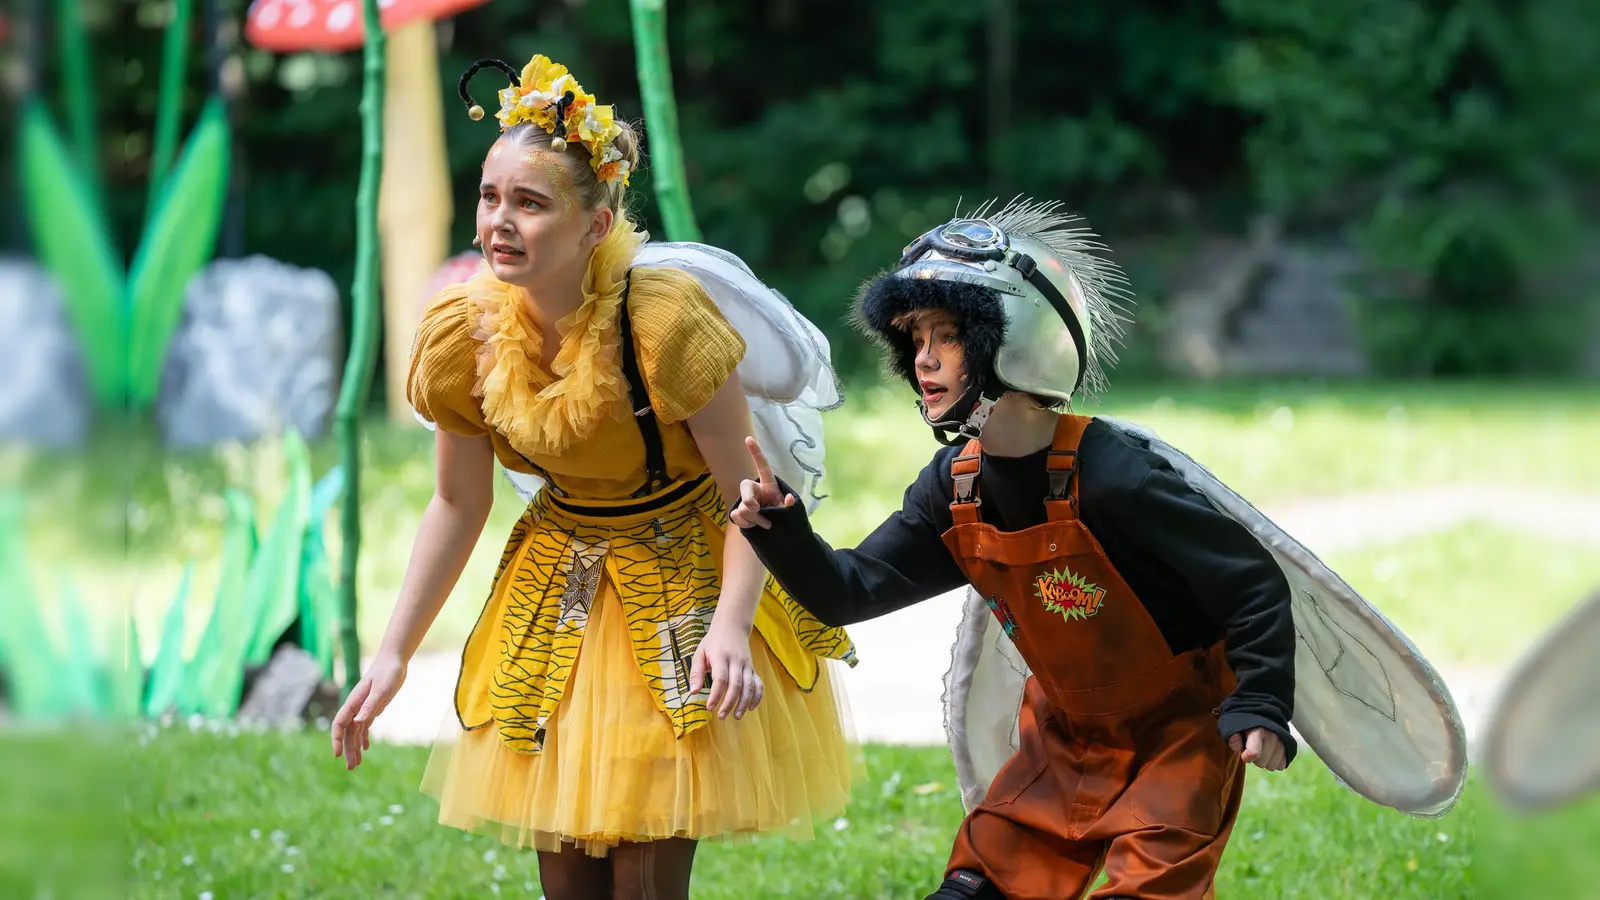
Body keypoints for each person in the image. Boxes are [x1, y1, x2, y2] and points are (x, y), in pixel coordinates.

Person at [330, 53, 858, 900]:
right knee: (569, 874)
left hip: (685, 575)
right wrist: (391, 654)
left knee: (645, 869)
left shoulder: (663, 324)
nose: (499, 222)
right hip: (561, 579)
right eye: (490, 197)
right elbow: (457, 502)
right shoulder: (461, 337)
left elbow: (750, 499)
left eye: (530, 203)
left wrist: (730, 627)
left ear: (595, 225)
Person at [732, 199, 1296, 900]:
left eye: (948, 335)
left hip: (1178, 736)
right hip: (1062, 737)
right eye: (914, 340)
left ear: (1016, 340)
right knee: (977, 885)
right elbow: (850, 589)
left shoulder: (1118, 477)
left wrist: (1263, 704)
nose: (925, 358)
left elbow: (1250, 583)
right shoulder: (954, 488)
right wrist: (780, 527)